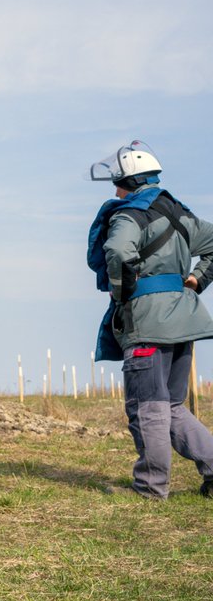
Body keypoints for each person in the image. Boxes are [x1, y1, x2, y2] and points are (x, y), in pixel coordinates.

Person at [87, 140, 213, 499]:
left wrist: (121, 294)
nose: (115, 190)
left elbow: (117, 250)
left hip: (147, 321)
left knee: (148, 407)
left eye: (117, 183)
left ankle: (150, 487)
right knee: (172, 406)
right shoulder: (181, 214)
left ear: (127, 182)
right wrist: (196, 279)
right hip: (185, 319)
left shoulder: (129, 214)